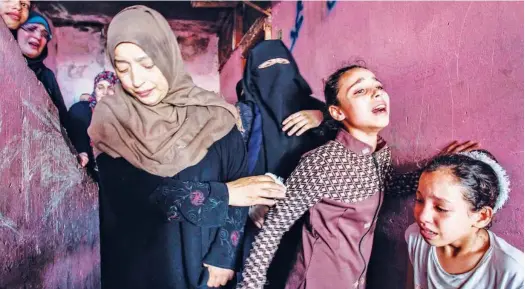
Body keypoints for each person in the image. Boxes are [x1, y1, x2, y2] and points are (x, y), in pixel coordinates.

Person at [87, 6, 286, 289]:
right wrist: (226, 194)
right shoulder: (111, 118)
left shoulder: (213, 113)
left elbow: (239, 184)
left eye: (147, 63)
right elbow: (132, 193)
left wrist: (224, 256)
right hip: (142, 264)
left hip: (206, 267)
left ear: (167, 55)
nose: (136, 80)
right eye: (123, 67)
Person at [238, 65, 478, 289]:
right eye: (360, 90)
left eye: (378, 87)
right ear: (337, 112)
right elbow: (272, 230)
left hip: (356, 279)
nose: (376, 93)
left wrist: (440, 166)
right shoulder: (322, 162)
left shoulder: (380, 154)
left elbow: (390, 186)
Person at [406, 151, 523, 289]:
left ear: (481, 216)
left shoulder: (512, 272)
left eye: (441, 208)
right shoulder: (416, 238)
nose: (422, 217)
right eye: (419, 200)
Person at [17, 11, 69, 132]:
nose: (38, 36)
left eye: (45, 34)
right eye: (31, 28)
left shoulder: (46, 75)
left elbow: (63, 120)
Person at [68, 71, 118, 174]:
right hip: (90, 171)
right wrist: (82, 152)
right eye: (100, 87)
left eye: (110, 88)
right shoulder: (82, 109)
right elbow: (77, 129)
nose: (105, 92)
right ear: (95, 90)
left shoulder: (123, 114)